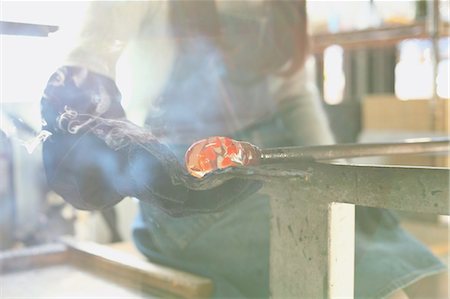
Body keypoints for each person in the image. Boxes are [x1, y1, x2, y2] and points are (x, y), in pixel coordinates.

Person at [40, 1, 445, 298]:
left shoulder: (283, 9)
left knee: (430, 281)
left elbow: (295, 95)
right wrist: (128, 153)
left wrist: (340, 179)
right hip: (188, 200)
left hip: (274, 176)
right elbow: (80, 78)